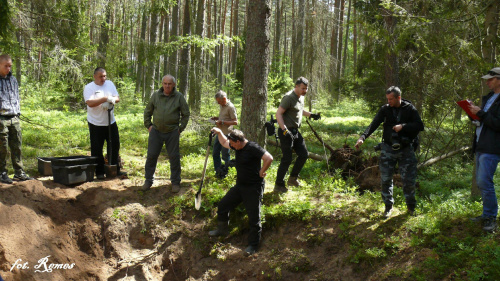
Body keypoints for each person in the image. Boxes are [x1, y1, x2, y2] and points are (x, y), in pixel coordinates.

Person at [355, 86, 424, 218]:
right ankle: (388, 207)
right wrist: (362, 137)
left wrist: (403, 126)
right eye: (387, 99)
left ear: (399, 97)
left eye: (391, 99)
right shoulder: (385, 109)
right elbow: (374, 124)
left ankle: (411, 207)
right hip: (388, 148)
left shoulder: (410, 109)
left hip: (406, 149)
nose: (389, 101)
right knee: (386, 179)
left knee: (408, 180)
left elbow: (420, 125)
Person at [208, 128, 273, 256]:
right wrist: (220, 133)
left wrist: (262, 171)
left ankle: (253, 246)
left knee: (254, 218)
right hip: (240, 186)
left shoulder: (252, 147)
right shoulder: (236, 146)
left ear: (238, 141)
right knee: (223, 205)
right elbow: (224, 143)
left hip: (253, 188)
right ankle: (222, 230)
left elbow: (269, 158)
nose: (230, 146)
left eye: (232, 144)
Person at [142, 75, 190, 192]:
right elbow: (148, 111)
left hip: (172, 132)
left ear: (173, 85)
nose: (167, 86)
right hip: (156, 131)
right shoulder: (156, 96)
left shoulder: (179, 97)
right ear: (162, 84)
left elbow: (186, 114)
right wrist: (149, 126)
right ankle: (148, 181)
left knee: (174, 157)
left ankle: (175, 182)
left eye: (169, 84)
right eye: (165, 83)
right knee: (151, 156)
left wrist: (180, 129)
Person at [274, 77, 321, 193]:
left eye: (306, 88)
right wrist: (284, 130)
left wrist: (311, 115)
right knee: (287, 158)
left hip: (295, 131)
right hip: (285, 132)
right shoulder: (289, 97)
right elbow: (278, 114)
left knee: (304, 154)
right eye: (303, 88)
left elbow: (299, 110)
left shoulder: (301, 97)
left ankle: (293, 178)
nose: (305, 90)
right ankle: (278, 184)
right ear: (296, 87)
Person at [468, 67, 500, 232]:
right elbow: (484, 120)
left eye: (491, 79)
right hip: (481, 144)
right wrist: (472, 113)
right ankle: (487, 214)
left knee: (483, 182)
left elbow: (497, 123)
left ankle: (491, 218)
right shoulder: (488, 98)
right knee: (482, 182)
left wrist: (481, 113)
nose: (487, 82)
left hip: (492, 147)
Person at [84, 67, 125, 179]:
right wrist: (105, 99)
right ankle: (100, 172)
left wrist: (111, 101)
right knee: (97, 148)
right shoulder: (89, 87)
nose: (103, 79)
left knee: (114, 145)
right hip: (95, 123)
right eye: (101, 76)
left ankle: (114, 170)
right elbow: (90, 103)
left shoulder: (110, 84)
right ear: (95, 76)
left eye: (105, 76)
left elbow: (117, 98)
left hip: (110, 122)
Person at [0, 54, 33, 183]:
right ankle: (2, 173)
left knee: (17, 146)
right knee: (2, 147)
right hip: (1, 118)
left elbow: (16, 97)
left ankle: (19, 172)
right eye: (5, 66)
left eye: (10, 66)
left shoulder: (12, 79)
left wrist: (17, 113)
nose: (8, 68)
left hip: (14, 117)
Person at [210, 90, 238, 172]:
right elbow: (224, 118)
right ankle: (218, 170)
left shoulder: (231, 107)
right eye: (217, 102)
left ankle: (227, 171)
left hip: (227, 134)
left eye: (219, 101)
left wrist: (222, 122)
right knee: (215, 153)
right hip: (219, 133)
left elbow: (235, 122)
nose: (218, 103)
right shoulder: (222, 106)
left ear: (224, 99)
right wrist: (216, 119)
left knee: (225, 154)